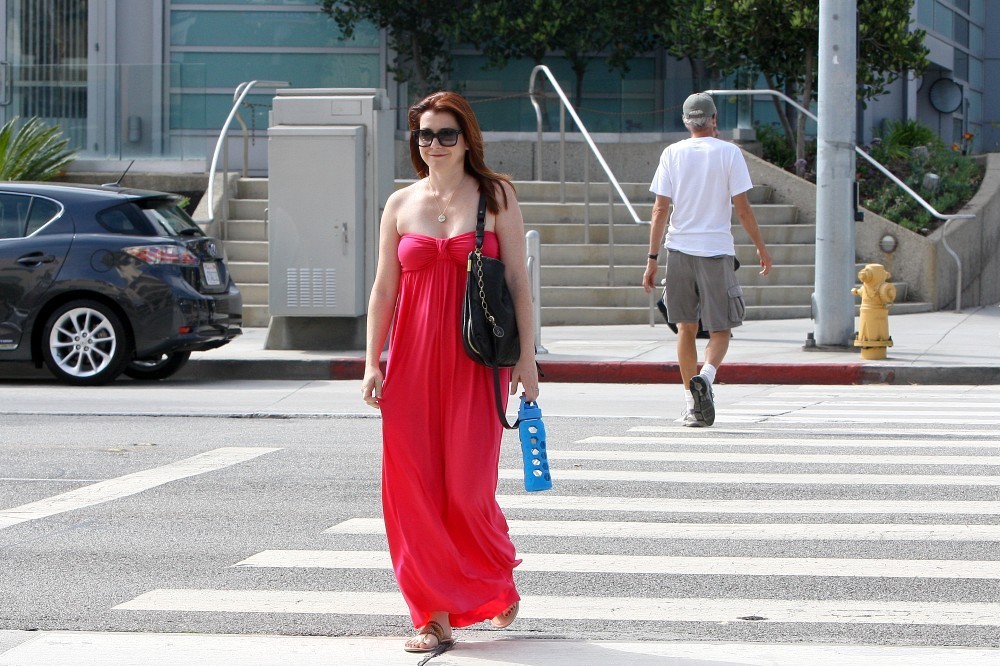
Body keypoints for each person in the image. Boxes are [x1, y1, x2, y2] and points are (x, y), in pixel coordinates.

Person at [361, 91, 539, 654]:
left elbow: (517, 282)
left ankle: (493, 573)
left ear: (467, 140)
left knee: (467, 488)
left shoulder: (496, 195)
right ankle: (431, 616)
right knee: (411, 489)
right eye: (425, 135)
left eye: (446, 134)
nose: (434, 144)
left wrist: (527, 359)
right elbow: (384, 288)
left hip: (475, 360)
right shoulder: (399, 204)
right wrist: (372, 361)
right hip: (410, 360)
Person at [642, 92, 772, 427]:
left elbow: (659, 210)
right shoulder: (729, 153)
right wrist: (761, 247)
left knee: (685, 329)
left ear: (686, 122)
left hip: (678, 251)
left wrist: (652, 258)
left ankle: (691, 405)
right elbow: (742, 209)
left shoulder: (672, 153)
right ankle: (707, 378)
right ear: (714, 119)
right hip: (716, 252)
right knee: (721, 329)